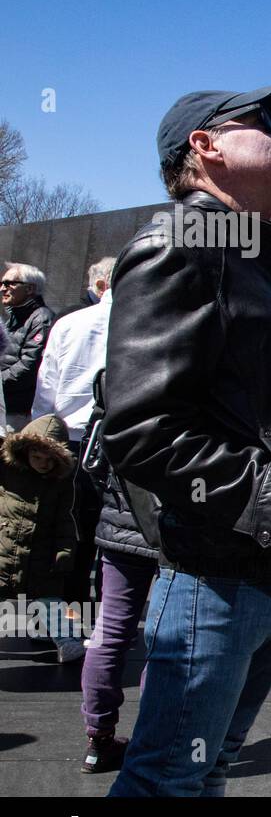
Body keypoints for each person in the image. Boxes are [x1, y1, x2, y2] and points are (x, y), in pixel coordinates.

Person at [102, 82, 271, 796]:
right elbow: (142, 425)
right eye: (264, 124)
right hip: (220, 578)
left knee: (206, 768)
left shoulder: (245, 257)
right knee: (166, 780)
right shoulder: (180, 243)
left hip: (269, 578)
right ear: (205, 146)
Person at [32, 258, 115, 609]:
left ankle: (63, 622)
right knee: (108, 543)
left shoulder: (68, 324)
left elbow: (45, 388)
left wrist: (40, 441)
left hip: (67, 441)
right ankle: (97, 629)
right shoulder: (142, 323)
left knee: (65, 538)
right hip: (113, 444)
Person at [79, 452, 161, 773]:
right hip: (170, 528)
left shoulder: (115, 399)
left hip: (119, 520)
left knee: (109, 631)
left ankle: (98, 739)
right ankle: (153, 738)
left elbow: (93, 454)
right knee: (165, 636)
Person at [0, 414, 81, 663]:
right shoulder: (7, 470)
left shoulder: (61, 483)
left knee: (50, 598)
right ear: (25, 451)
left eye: (49, 460)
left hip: (41, 551)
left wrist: (65, 550)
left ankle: (67, 640)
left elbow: (66, 519)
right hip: (5, 545)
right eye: (37, 457)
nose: (43, 464)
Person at [1, 263, 56, 432]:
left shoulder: (41, 319)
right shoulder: (13, 317)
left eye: (10, 283)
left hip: (17, 413)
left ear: (30, 288)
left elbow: (29, 366)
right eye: (2, 284)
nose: (3, 289)